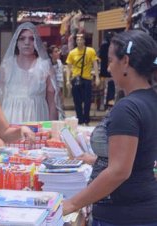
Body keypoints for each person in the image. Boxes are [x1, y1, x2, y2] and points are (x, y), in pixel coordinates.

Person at [63, 30, 157, 225]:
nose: (108, 67)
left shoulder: (128, 108)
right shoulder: (150, 100)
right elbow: (137, 156)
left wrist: (72, 203)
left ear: (125, 62)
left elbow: (119, 171)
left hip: (122, 213)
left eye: (111, 60)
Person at [0, 22, 60, 124]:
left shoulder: (45, 66)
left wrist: (51, 128)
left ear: (37, 42)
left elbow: (52, 102)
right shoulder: (7, 66)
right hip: (10, 118)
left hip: (38, 118)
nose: (27, 42)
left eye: (31, 38)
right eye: (22, 38)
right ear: (16, 42)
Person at [66, 33, 100, 125]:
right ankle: (80, 120)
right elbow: (68, 67)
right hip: (76, 79)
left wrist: (97, 77)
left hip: (87, 79)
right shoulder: (72, 53)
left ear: (84, 40)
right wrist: (68, 80)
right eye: (77, 40)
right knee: (77, 101)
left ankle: (86, 119)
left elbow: (95, 64)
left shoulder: (90, 51)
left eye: (81, 39)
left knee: (87, 101)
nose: (79, 41)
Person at [98, 31, 115, 110]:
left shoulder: (103, 46)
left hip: (104, 72)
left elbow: (100, 57)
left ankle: (103, 105)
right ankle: (109, 104)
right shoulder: (114, 47)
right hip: (111, 72)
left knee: (104, 89)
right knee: (111, 88)